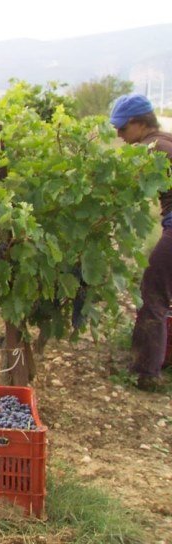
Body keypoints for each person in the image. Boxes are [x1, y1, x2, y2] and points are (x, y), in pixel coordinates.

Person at [110, 93, 172, 392]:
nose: (119, 136)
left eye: (122, 128)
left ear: (139, 123)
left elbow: (123, 193)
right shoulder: (166, 140)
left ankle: (146, 372)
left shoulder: (153, 148)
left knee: (154, 295)